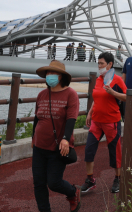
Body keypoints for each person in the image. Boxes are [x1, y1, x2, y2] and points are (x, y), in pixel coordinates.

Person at [31, 60, 80, 212]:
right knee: (39, 183)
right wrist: (33, 138)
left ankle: (73, 193)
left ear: (61, 77)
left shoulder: (71, 94)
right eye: (48, 73)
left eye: (53, 73)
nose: (49, 76)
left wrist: (66, 139)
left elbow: (71, 119)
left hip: (58, 147)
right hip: (39, 147)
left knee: (54, 183)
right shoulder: (42, 94)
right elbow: (36, 118)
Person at [82, 52, 126, 195]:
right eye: (98, 63)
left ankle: (118, 178)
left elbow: (128, 97)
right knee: (88, 150)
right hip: (96, 121)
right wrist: (90, 112)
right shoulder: (99, 79)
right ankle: (90, 180)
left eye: (101, 63)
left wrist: (113, 93)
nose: (99, 66)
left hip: (111, 122)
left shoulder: (117, 80)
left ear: (110, 64)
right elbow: (97, 98)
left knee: (115, 152)